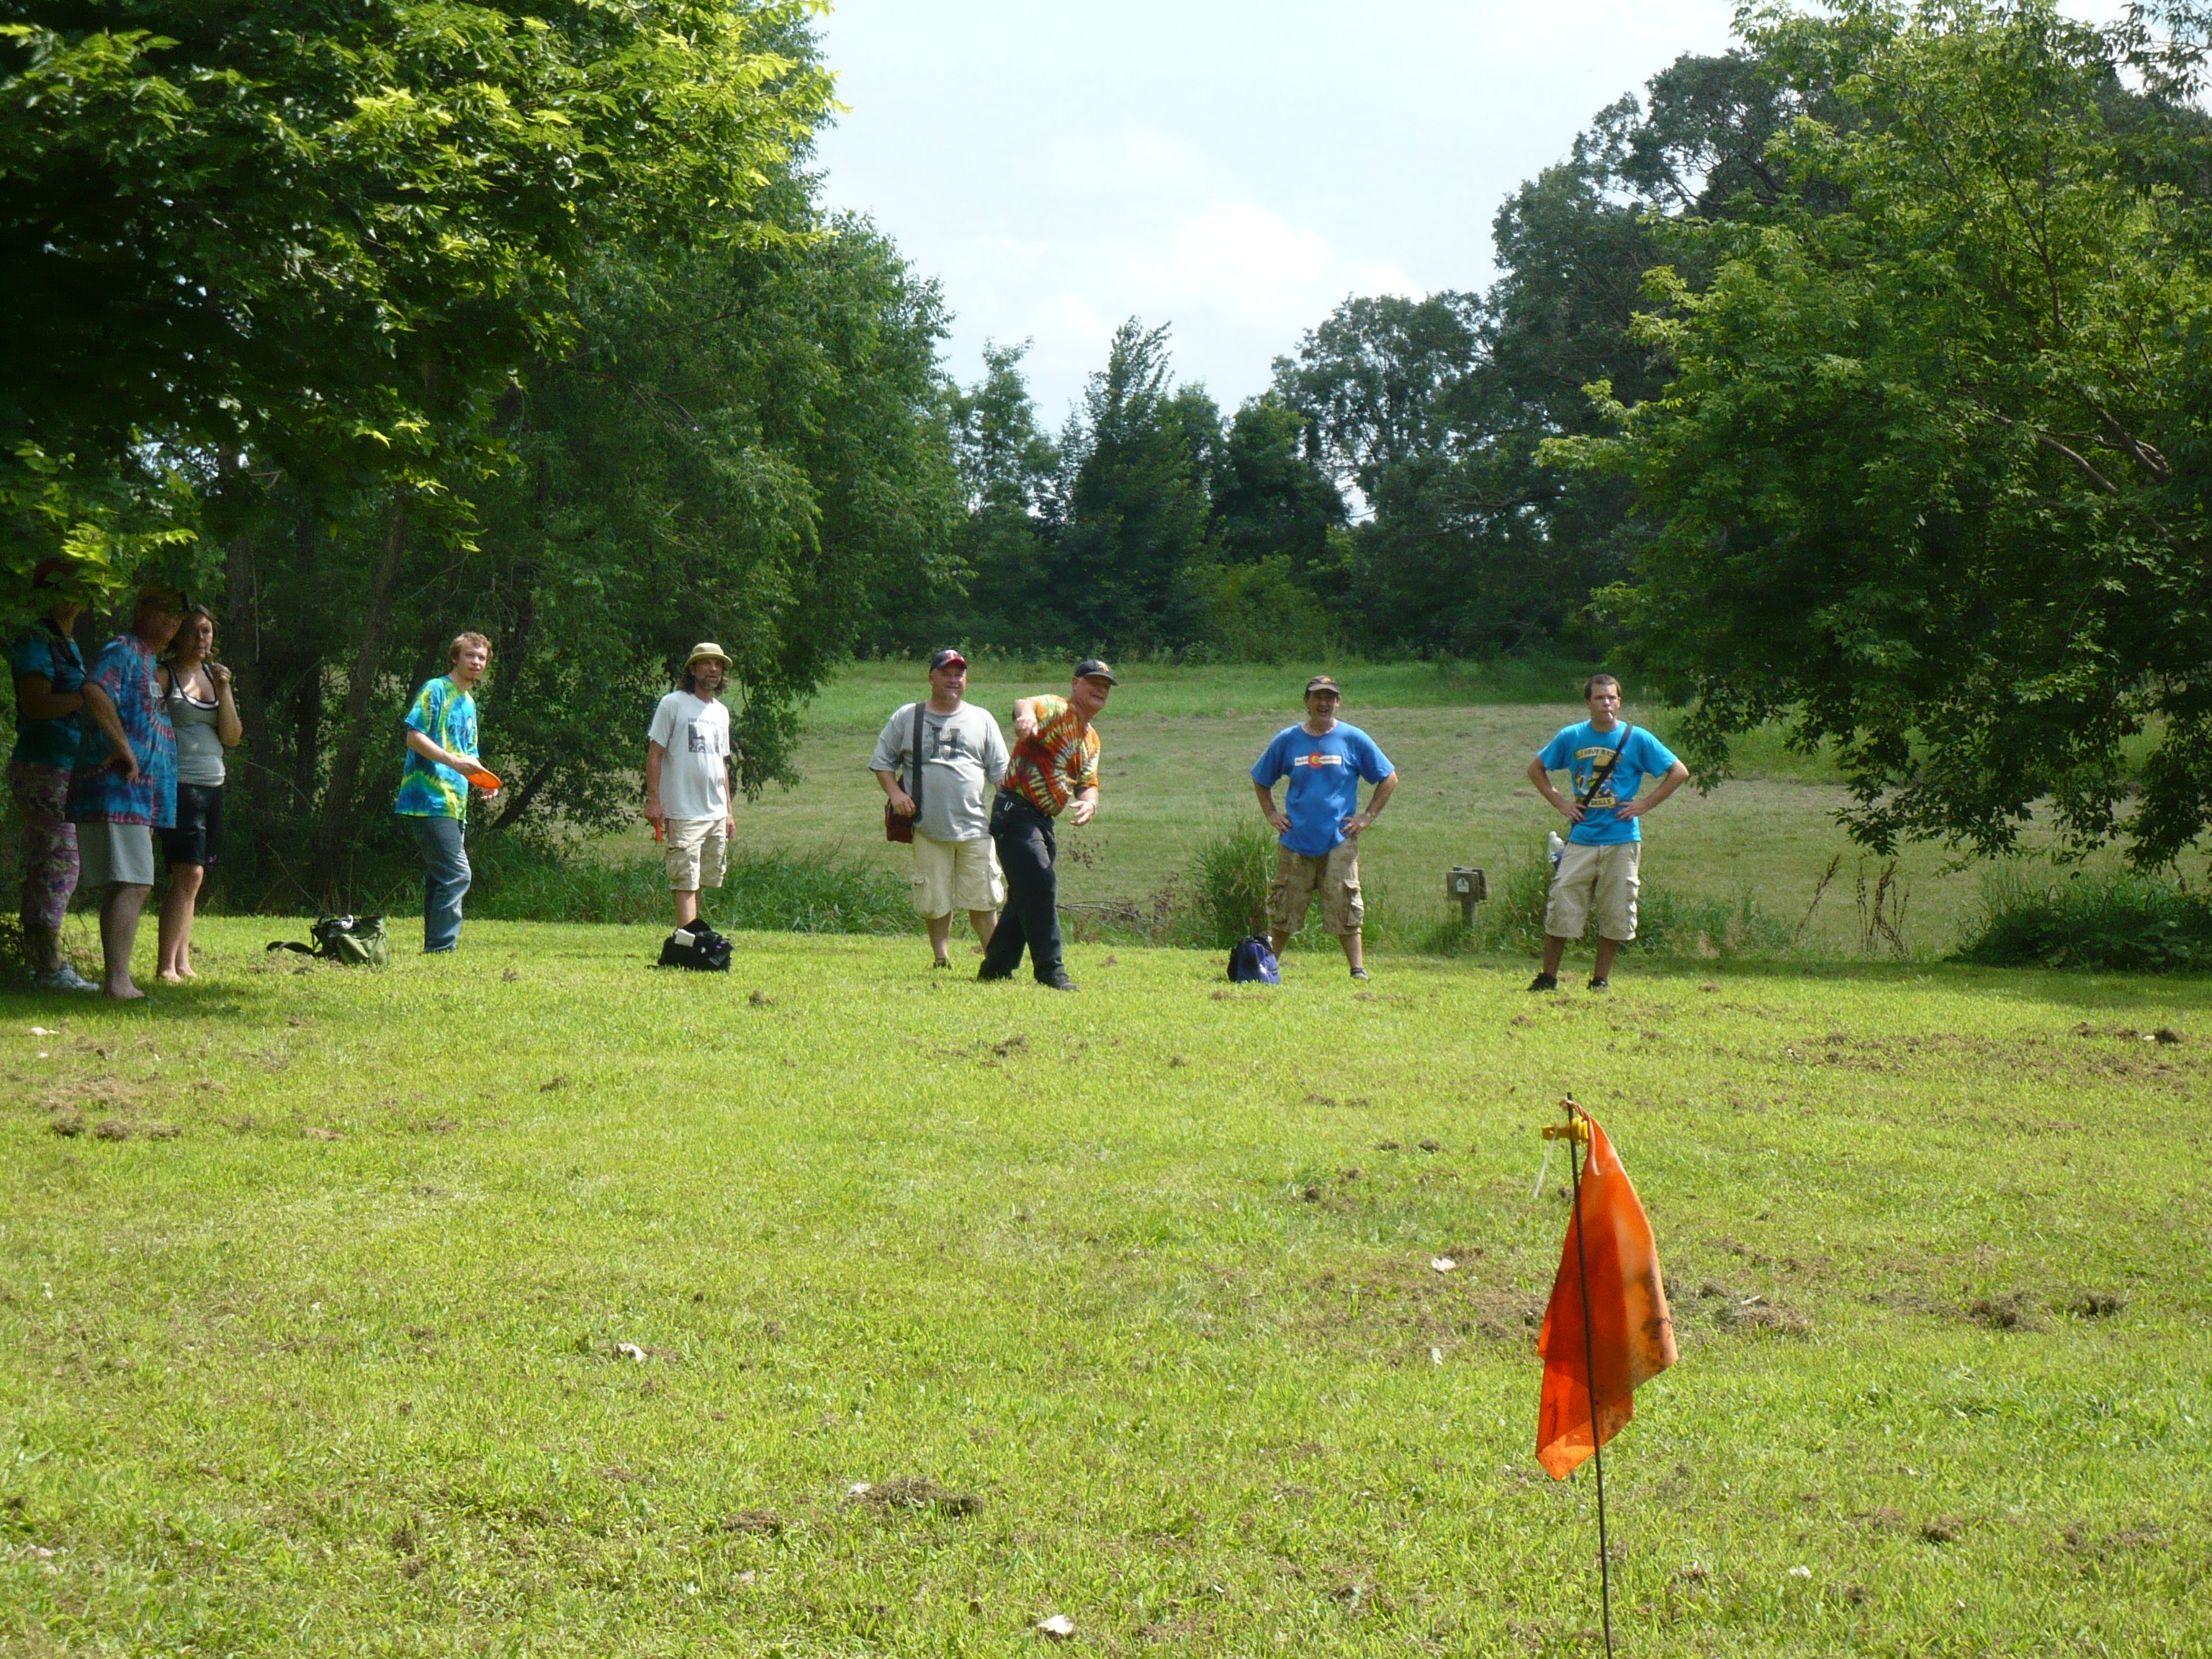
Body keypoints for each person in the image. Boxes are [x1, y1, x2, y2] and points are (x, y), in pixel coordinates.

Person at [1525, 673, 1689, 992]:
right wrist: (1561, 803)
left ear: (1620, 702)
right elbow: (1536, 769)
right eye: (1600, 698)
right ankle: (1548, 976)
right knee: (1562, 902)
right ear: (1588, 703)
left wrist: (1645, 804)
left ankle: (1600, 979)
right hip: (1582, 838)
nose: (1606, 704)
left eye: (1612, 697)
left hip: (1622, 838)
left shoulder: (1637, 738)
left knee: (1616, 910)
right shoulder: (1572, 736)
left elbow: (1678, 772)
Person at [68, 585, 184, 999]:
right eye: (163, 608)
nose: (172, 619)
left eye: (178, 614)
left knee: (132, 882)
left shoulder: (151, 661)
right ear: (140, 610)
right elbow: (94, 689)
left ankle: (118, 980)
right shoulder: (123, 648)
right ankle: (117, 983)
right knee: (133, 883)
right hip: (118, 789)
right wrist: (123, 747)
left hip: (139, 797)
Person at [1250, 675, 1398, 981]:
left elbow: (1389, 778)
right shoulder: (1288, 740)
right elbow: (1261, 779)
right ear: (1306, 702)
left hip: (1339, 840)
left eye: (1330, 698)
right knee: (1284, 907)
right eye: (1317, 697)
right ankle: (1269, 968)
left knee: (1346, 905)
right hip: (1295, 839)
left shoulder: (1353, 738)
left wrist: (1366, 817)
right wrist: (1272, 814)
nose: (1324, 703)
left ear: (1338, 703)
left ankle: (1357, 970)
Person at [978, 660, 1113, 990]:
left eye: (1106, 686)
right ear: (1075, 683)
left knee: (1025, 894)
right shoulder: (1057, 708)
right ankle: (1051, 971)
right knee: (1041, 883)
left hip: (1042, 820)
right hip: (1015, 811)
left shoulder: (1091, 739)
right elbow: (1025, 703)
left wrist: (1090, 803)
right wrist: (1025, 717)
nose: (1100, 689)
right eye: (1093, 682)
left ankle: (995, 968)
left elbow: (1088, 783)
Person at [872, 649, 1009, 968]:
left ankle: (995, 962)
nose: (953, 680)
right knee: (934, 900)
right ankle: (941, 958)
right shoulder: (908, 717)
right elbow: (882, 762)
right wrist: (895, 794)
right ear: (931, 677)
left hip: (976, 827)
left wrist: (1010, 814)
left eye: (959, 674)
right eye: (946, 674)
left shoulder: (982, 719)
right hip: (927, 827)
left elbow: (1001, 774)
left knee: (984, 898)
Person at [7, 560, 95, 991]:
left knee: (52, 858)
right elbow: (36, 703)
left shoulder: (67, 642)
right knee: (61, 859)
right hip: (44, 764)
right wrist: (87, 697)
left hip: (65, 764)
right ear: (43, 593)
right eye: (60, 588)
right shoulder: (37, 639)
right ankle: (48, 966)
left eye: (77, 587)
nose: (71, 597)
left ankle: (40, 961)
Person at [155, 604, 243, 982]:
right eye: (192, 631)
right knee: (187, 871)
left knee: (196, 876)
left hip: (213, 783)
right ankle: (165, 965)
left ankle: (183, 961)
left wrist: (224, 689)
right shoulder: (164, 675)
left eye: (206, 631)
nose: (200, 638)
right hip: (178, 784)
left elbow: (232, 737)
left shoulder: (215, 677)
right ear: (176, 635)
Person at [395, 632, 498, 954]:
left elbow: (469, 754)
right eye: (470, 656)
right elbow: (414, 737)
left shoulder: (469, 703)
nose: (476, 662)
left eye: (482, 658)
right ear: (455, 658)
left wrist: (485, 781)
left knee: (441, 879)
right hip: (428, 798)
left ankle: (434, 949)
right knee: (457, 874)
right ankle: (441, 949)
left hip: (455, 803)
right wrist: (453, 762)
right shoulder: (436, 690)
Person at [644, 643, 738, 929]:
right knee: (684, 877)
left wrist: (729, 812)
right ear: (693, 669)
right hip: (684, 810)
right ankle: (689, 940)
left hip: (715, 811)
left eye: (718, 665)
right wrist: (654, 801)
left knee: (700, 879)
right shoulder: (673, 704)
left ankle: (689, 936)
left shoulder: (721, 712)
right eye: (706, 663)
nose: (713, 670)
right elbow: (655, 755)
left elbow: (721, 764)